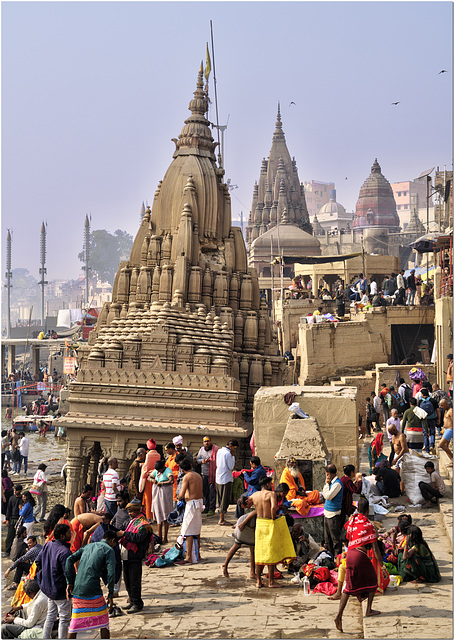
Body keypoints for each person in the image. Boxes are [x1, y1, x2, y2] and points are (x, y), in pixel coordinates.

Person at [334, 498, 383, 632]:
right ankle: (368, 609)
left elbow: (346, 536)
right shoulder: (369, 524)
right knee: (373, 579)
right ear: (367, 510)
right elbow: (376, 549)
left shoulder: (352, 520)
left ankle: (339, 615)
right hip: (359, 555)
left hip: (349, 554)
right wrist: (382, 565)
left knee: (348, 586)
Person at [66, 530, 117, 639]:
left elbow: (69, 560)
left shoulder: (88, 546)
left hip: (77, 590)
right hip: (93, 589)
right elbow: (111, 574)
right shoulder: (108, 550)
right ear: (112, 541)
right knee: (104, 621)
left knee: (74, 624)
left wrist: (70, 582)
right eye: (114, 544)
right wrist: (111, 594)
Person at [252, 476, 296, 588]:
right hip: (268, 523)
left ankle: (258, 582)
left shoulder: (254, 495)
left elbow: (246, 504)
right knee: (270, 553)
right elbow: (272, 508)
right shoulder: (271, 494)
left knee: (259, 553)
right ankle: (271, 582)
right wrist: (273, 518)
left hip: (259, 524)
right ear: (267, 484)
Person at [35, 522, 73, 639]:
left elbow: (38, 561)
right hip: (60, 591)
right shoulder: (65, 552)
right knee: (64, 618)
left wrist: (47, 574)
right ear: (62, 536)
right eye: (68, 533)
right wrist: (70, 587)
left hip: (49, 588)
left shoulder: (48, 545)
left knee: (51, 616)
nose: (70, 534)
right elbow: (68, 574)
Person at [116, 500, 153, 614]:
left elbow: (138, 538)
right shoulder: (129, 522)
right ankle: (132, 600)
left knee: (134, 580)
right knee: (127, 580)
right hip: (127, 554)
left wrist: (124, 534)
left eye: (131, 511)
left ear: (137, 511)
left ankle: (137, 603)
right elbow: (120, 529)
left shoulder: (144, 524)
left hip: (135, 555)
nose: (129, 514)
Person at [222, 495, 256, 579]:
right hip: (245, 524)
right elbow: (255, 512)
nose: (248, 508)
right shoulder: (253, 500)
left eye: (247, 506)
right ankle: (225, 565)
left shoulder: (255, 498)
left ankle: (252, 572)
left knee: (251, 548)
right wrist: (243, 523)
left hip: (248, 524)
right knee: (238, 545)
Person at [178, 459, 204, 562]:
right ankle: (198, 554)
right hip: (199, 502)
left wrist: (180, 497)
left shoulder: (187, 477)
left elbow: (181, 494)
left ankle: (189, 557)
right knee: (196, 530)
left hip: (192, 504)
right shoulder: (198, 475)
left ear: (183, 470)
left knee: (188, 531)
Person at [322, 464, 344, 558]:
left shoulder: (337, 484)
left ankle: (337, 558)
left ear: (330, 474)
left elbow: (327, 496)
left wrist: (326, 484)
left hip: (333, 514)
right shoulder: (331, 483)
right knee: (328, 540)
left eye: (327, 474)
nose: (326, 476)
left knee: (335, 539)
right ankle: (330, 557)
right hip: (327, 514)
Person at [150, 460, 174, 544]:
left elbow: (171, 481)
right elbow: (149, 477)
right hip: (157, 495)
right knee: (158, 514)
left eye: (160, 470)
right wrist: (153, 481)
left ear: (163, 467)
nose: (159, 472)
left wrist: (162, 483)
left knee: (165, 515)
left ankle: (165, 537)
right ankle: (159, 537)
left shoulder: (168, 471)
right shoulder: (156, 471)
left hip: (165, 495)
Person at [215, 439, 239, 526]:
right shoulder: (228, 454)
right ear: (231, 446)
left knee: (220, 498)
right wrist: (233, 457)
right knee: (224, 500)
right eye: (234, 448)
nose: (234, 450)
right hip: (226, 479)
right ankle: (221, 519)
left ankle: (221, 518)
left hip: (219, 478)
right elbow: (231, 466)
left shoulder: (219, 451)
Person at [196, 436, 219, 516]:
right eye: (205, 441)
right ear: (203, 443)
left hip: (213, 474)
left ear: (211, 441)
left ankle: (212, 509)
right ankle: (206, 507)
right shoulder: (201, 450)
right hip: (204, 474)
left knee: (212, 492)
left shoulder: (215, 449)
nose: (206, 443)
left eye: (208, 441)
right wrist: (202, 461)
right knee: (205, 492)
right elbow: (197, 460)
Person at [139, 438, 161, 519]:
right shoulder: (158, 455)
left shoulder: (148, 455)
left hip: (149, 479)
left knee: (148, 499)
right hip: (156, 478)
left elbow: (146, 467)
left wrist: (143, 474)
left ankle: (149, 516)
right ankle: (155, 516)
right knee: (155, 498)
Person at [418, 388, 440, 454]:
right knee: (432, 432)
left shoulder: (420, 401)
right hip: (432, 418)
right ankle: (432, 445)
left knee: (425, 434)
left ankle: (427, 450)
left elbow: (418, 412)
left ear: (422, 394)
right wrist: (439, 419)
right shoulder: (433, 400)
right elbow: (438, 410)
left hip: (424, 420)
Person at [4, 485, 23, 556]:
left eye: (16, 491)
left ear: (20, 490)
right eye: (14, 490)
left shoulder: (22, 499)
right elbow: (8, 509)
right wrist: (7, 519)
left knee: (20, 537)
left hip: (20, 519)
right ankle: (7, 551)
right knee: (10, 536)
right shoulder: (12, 498)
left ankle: (19, 552)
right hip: (12, 519)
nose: (15, 492)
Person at [438, 398, 453, 465]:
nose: (441, 407)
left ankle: (453, 458)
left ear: (446, 404)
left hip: (450, 430)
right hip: (446, 429)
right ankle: (452, 461)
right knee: (446, 446)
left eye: (442, 405)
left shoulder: (451, 411)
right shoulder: (446, 411)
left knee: (441, 444)